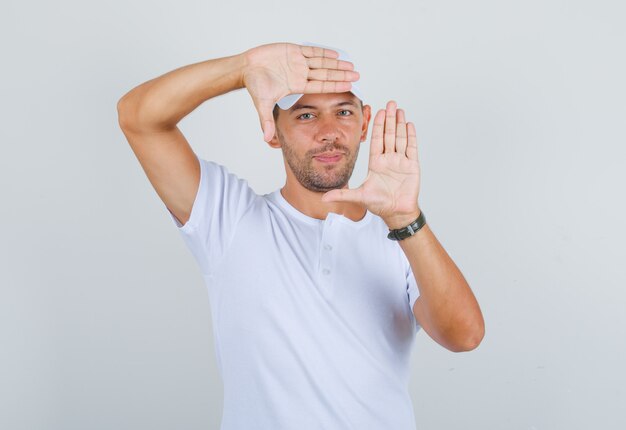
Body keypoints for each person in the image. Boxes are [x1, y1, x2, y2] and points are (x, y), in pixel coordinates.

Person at [117, 42, 484, 430]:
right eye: (305, 115)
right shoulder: (228, 218)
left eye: (343, 112)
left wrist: (404, 218)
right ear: (273, 130)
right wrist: (243, 69)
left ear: (364, 125)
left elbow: (464, 335)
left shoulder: (401, 236)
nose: (329, 133)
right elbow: (138, 117)